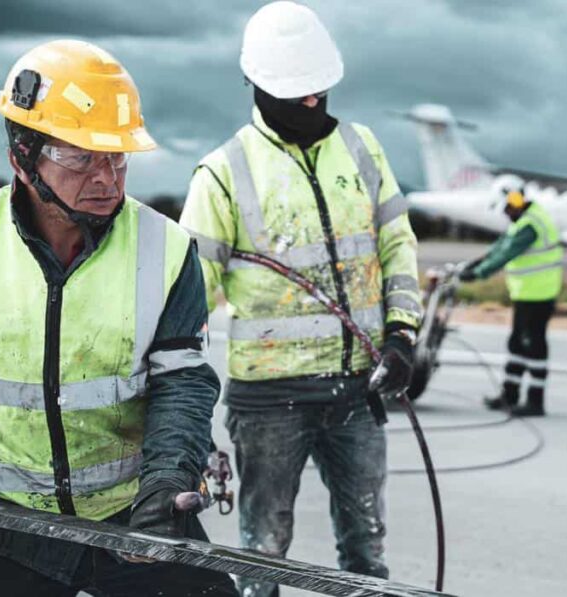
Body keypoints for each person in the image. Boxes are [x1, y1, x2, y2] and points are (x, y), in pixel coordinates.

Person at [0, 40, 237, 595]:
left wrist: (167, 480)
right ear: (22, 157)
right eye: (81, 157)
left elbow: (182, 381)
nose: (106, 177)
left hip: (127, 504)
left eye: (117, 157)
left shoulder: (165, 248)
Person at [179, 3, 422, 595]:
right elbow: (186, 298)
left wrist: (401, 335)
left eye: (319, 91)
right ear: (257, 84)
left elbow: (396, 245)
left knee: (366, 552)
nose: (312, 102)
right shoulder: (224, 172)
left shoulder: (362, 149)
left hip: (357, 390)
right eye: (298, 94)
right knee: (263, 556)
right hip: (269, 400)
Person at [459, 175, 563, 417]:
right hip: (527, 293)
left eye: (506, 207)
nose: (505, 213)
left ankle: (535, 401)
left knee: (533, 345)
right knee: (517, 342)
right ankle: (510, 395)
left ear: (515, 200)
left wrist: (478, 274)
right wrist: (476, 262)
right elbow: (501, 246)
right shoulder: (524, 219)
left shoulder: (531, 224)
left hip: (538, 294)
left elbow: (507, 254)